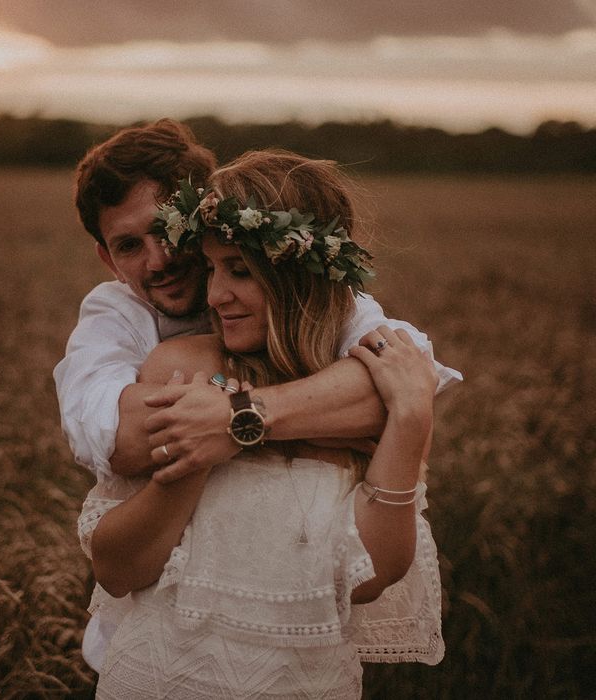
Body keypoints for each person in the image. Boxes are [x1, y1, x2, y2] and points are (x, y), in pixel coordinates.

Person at [53, 119, 461, 677]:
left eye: (168, 233)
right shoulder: (121, 320)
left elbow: (410, 371)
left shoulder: (327, 314)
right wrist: (317, 411)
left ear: (202, 217)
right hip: (153, 656)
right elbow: (113, 437)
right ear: (107, 259)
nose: (158, 262)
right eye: (129, 246)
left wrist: (236, 416)